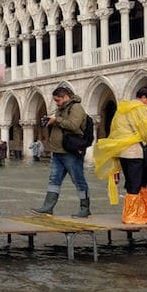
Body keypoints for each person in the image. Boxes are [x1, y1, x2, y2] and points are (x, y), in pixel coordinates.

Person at [92, 87, 147, 224]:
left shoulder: (121, 109)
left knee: (130, 181)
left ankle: (137, 212)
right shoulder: (141, 108)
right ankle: (131, 215)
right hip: (135, 151)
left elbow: (115, 130)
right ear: (144, 97)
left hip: (122, 151)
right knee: (136, 182)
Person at [32, 86, 91, 218]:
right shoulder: (60, 109)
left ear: (65, 97)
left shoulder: (76, 108)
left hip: (71, 151)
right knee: (54, 180)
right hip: (58, 151)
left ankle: (85, 208)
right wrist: (49, 121)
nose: (56, 103)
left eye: (58, 100)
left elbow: (73, 125)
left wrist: (56, 120)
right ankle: (47, 208)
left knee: (78, 180)